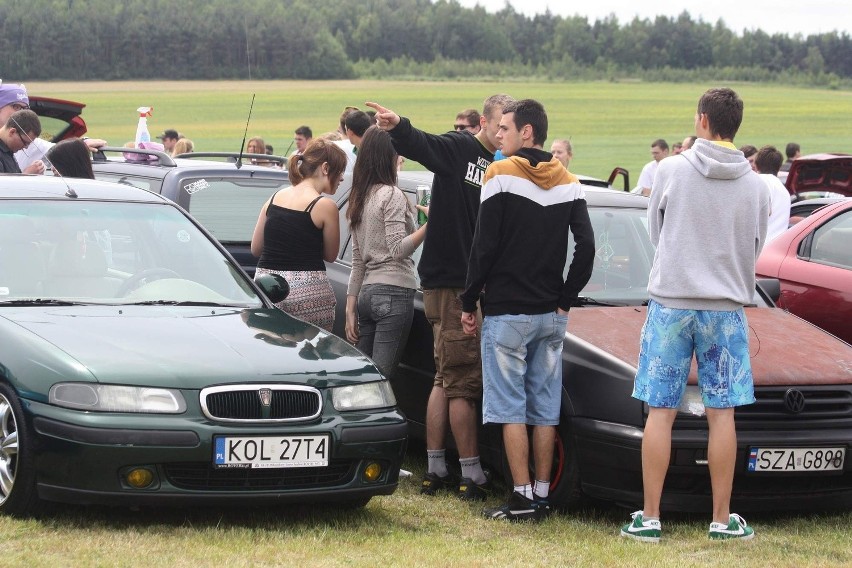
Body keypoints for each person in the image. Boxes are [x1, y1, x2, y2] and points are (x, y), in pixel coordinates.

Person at [621, 87, 769, 544]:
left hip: (672, 303)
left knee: (660, 413)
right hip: (725, 308)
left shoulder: (670, 170)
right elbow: (756, 245)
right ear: (735, 125)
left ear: (702, 119)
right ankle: (722, 520)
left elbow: (655, 229)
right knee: (722, 414)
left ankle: (649, 517)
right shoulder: (756, 184)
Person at [368, 93, 514, 501]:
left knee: (444, 376)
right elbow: (422, 145)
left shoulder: (503, 165)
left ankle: (435, 466)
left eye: (509, 126)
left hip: (459, 284)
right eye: (499, 124)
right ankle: (472, 474)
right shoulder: (461, 149)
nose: (503, 132)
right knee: (463, 381)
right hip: (452, 284)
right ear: (483, 123)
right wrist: (398, 126)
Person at [460, 99, 594, 521]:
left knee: (509, 407)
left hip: (507, 312)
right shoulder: (569, 181)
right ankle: (541, 493)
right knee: (544, 408)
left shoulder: (499, 174)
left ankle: (520, 498)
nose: (499, 136)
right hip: (550, 315)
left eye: (505, 129)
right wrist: (566, 296)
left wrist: (468, 300)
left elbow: (484, 246)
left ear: (527, 133)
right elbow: (587, 249)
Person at [344, 126, 427, 377]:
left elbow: (358, 259)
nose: (400, 158)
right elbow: (398, 249)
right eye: (397, 152)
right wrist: (429, 226)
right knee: (382, 378)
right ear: (387, 156)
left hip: (367, 295)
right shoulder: (391, 194)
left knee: (364, 376)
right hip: (393, 291)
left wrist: (351, 307)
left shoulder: (360, 195)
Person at [250, 138, 346, 331]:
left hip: (266, 288)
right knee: (311, 353)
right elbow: (330, 255)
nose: (342, 178)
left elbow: (256, 248)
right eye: (340, 171)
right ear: (325, 168)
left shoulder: (275, 198)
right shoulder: (325, 206)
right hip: (308, 294)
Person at [755, 145, 791, 241]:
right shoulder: (784, 191)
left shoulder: (760, 181)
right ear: (779, 167)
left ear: (756, 164)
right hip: (778, 248)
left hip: (760, 249)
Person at [0, 109, 41, 173]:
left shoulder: (8, 151)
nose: (25, 147)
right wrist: (26, 174)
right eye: (25, 142)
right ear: (12, 132)